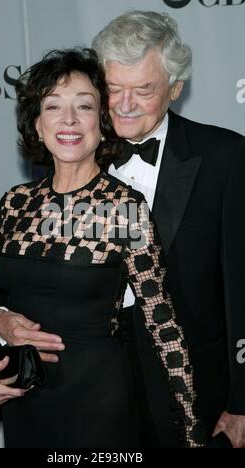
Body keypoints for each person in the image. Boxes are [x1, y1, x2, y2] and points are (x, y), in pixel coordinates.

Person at [0, 48, 203, 448]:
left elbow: (164, 328)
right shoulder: (15, 203)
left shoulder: (123, 209)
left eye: (84, 106)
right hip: (26, 405)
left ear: (101, 123)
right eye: (53, 106)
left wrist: (192, 435)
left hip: (98, 407)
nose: (69, 119)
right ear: (37, 125)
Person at [91, 11, 245, 448]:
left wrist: (243, 402)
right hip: (94, 390)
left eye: (143, 89)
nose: (123, 103)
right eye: (113, 87)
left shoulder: (225, 157)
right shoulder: (73, 155)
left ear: (175, 89)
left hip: (193, 387)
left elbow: (241, 286)